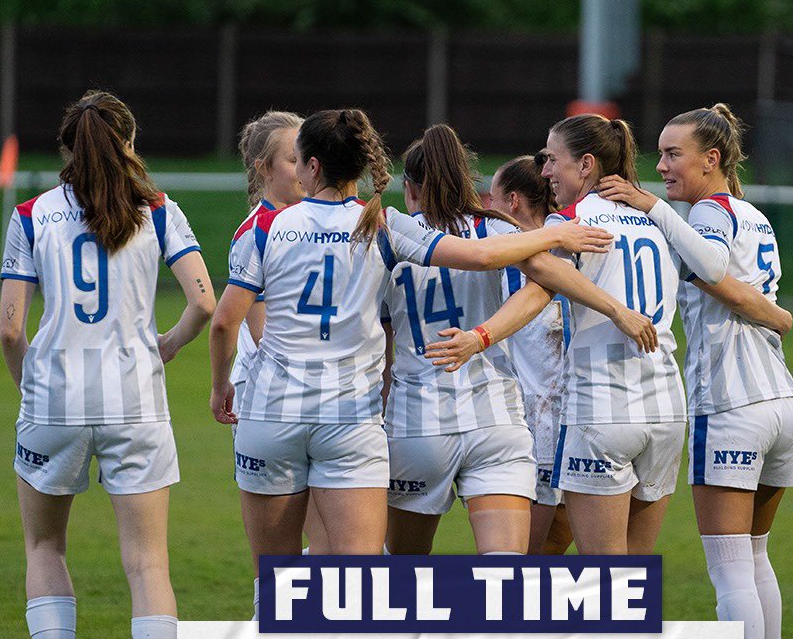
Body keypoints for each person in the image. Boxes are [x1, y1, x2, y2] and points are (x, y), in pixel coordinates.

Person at [208, 108, 624, 575]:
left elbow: (226, 321)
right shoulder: (389, 227)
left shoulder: (267, 225)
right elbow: (520, 271)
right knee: (480, 577)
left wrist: (222, 385)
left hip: (385, 417)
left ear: (312, 166)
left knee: (313, 574)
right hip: (467, 418)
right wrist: (564, 263)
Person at [0, 90, 214, 639]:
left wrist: (32, 386)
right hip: (135, 400)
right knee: (147, 562)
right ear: (129, 140)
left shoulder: (32, 214)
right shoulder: (157, 209)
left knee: (45, 549)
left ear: (68, 146)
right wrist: (168, 345)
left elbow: (10, 330)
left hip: (54, 401)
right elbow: (205, 302)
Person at [597, 102, 793, 639]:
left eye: (672, 154)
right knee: (757, 556)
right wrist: (776, 314)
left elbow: (712, 272)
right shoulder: (753, 214)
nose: (660, 167)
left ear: (711, 159)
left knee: (729, 565)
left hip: (732, 404)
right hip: (782, 403)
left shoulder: (708, 215)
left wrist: (649, 206)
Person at [384, 127, 655, 558]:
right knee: (507, 575)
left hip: (418, 420)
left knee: (399, 567)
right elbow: (542, 286)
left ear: (409, 187)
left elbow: (378, 332)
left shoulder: (391, 234)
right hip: (496, 421)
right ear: (466, 178)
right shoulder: (500, 230)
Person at [230, 111, 326, 603]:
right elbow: (263, 330)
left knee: (332, 547)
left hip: (317, 397)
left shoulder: (313, 222)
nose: (306, 167)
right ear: (264, 168)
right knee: (288, 555)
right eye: (293, 159)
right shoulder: (261, 230)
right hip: (278, 396)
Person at [486, 154, 573, 554]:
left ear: (514, 201)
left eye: (493, 198)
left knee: (526, 561)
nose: (486, 207)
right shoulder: (571, 251)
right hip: (582, 418)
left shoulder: (503, 258)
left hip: (539, 424)